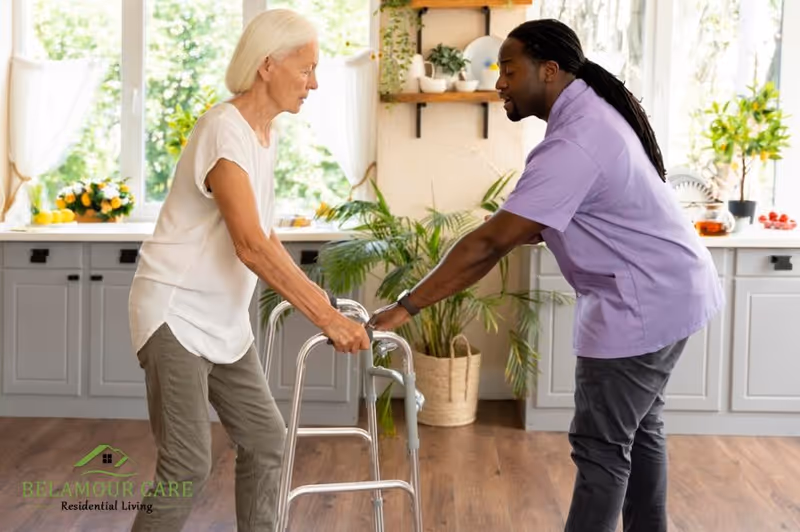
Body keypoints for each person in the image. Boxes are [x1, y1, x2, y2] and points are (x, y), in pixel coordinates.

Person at [368, 18, 723, 532]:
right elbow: (580, 210)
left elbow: (488, 244)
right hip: (676, 290)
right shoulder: (591, 120)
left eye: (509, 70)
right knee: (639, 431)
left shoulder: (576, 140)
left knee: (602, 449)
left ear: (549, 71)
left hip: (645, 304)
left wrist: (405, 306)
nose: (500, 84)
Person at [127, 9, 370, 532]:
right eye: (305, 68)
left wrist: (324, 304)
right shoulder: (224, 129)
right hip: (175, 313)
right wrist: (325, 318)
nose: (315, 82)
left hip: (224, 323)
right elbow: (251, 247)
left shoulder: (263, 134)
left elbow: (268, 239)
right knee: (187, 464)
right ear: (267, 65)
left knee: (265, 443)